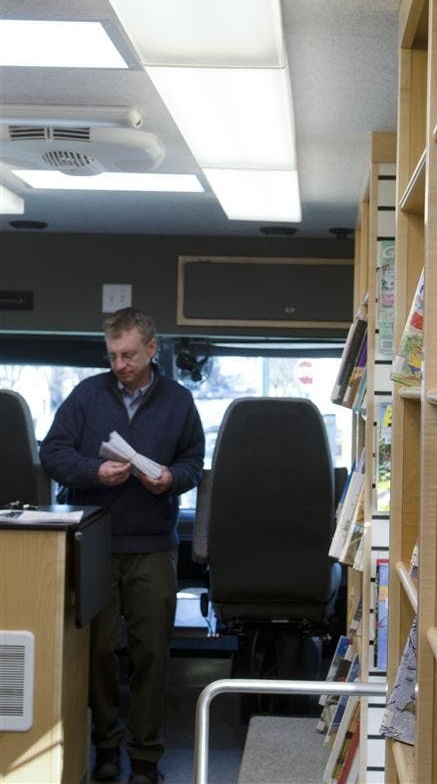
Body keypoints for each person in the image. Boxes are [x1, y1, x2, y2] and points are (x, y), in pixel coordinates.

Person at [40, 308, 205, 784]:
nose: (119, 365)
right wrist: (94, 472)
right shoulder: (87, 395)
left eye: (128, 355)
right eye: (112, 355)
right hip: (95, 542)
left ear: (152, 350)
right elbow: (52, 451)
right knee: (100, 651)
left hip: (153, 545)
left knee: (152, 652)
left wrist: (172, 479)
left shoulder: (179, 400)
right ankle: (106, 747)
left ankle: (147, 757)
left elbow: (194, 461)